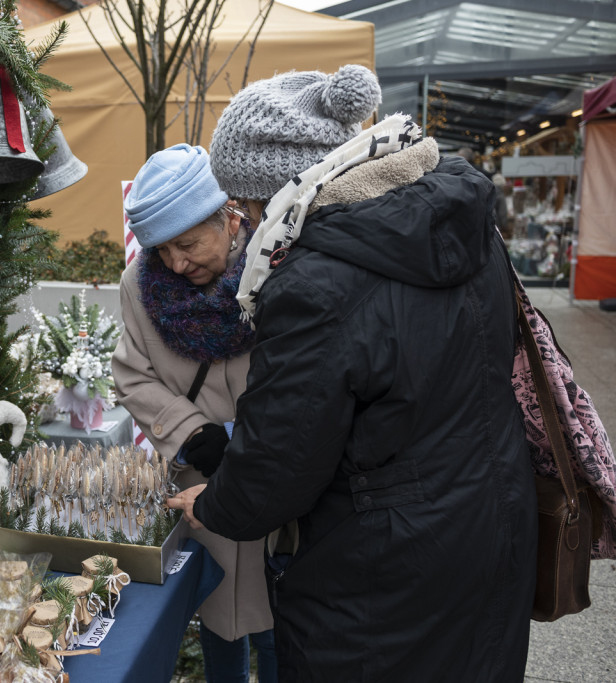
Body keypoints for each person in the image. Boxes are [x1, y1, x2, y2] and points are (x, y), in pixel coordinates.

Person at [167, 65, 537, 681]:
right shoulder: (462, 220)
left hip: (385, 564)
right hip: (491, 515)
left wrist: (220, 503)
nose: (252, 222)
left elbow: (281, 465)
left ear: (281, 188)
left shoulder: (314, 282)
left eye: (248, 202)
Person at [113, 143, 276, 683]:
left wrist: (244, 438)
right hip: (200, 485)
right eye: (162, 249)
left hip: (278, 480)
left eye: (188, 243)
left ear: (230, 218)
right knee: (219, 614)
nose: (177, 264)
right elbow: (132, 374)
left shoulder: (279, 268)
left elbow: (312, 382)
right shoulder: (139, 286)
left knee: (285, 620)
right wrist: (194, 433)